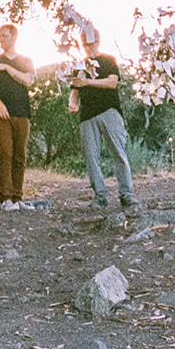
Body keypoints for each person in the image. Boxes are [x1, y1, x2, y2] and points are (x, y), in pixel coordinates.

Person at [68, 26, 138, 214]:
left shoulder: (108, 60)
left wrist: (89, 82)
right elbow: (74, 90)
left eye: (91, 43)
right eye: (84, 44)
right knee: (91, 156)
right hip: (87, 115)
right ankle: (100, 196)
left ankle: (126, 194)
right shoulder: (79, 66)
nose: (88, 47)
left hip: (109, 111)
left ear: (97, 42)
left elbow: (111, 82)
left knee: (118, 152)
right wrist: (73, 102)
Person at [0, 22, 36, 210]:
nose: (1, 39)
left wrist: (7, 68)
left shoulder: (25, 61)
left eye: (4, 36)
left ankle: (17, 198)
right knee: (5, 154)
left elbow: (28, 80)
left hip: (22, 113)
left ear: (14, 36)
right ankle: (6, 198)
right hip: (2, 115)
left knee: (19, 156)